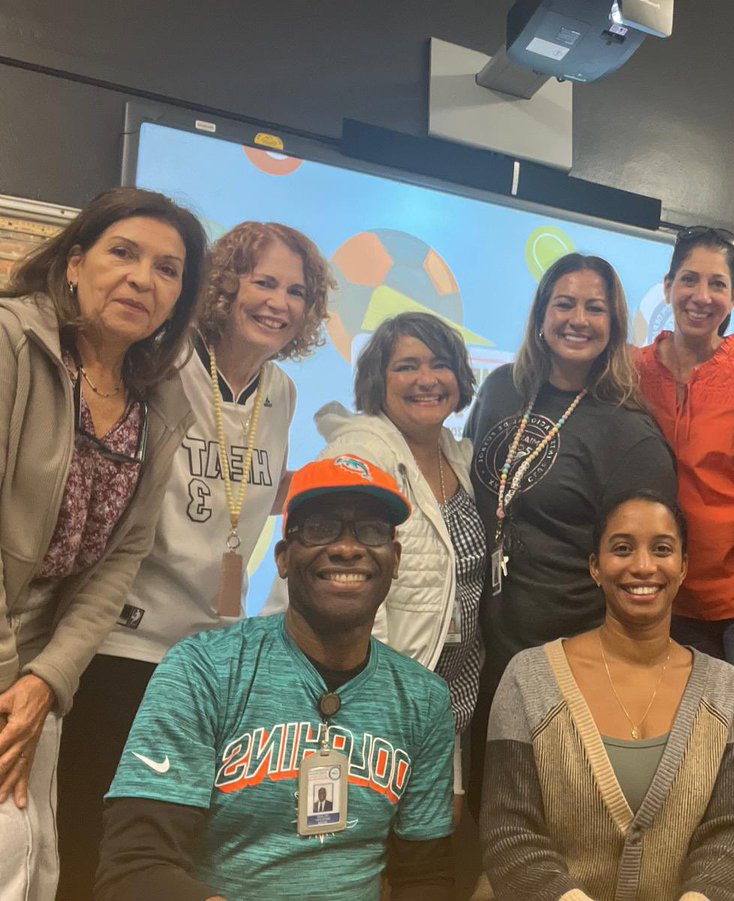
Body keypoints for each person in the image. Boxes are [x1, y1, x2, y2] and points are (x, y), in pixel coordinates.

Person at [55, 220, 333, 899]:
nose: (279, 302)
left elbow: (253, 506)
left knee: (176, 843)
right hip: (127, 645)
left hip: (214, 659)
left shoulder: (283, 394)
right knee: (94, 837)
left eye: (296, 291)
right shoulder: (162, 364)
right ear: (224, 283)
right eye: (263, 281)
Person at [95, 455, 456, 901]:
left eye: (372, 530)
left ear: (394, 559)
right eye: (321, 528)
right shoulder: (202, 670)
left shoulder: (424, 699)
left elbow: (425, 878)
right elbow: (134, 868)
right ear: (283, 558)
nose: (347, 548)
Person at [0, 187, 206, 901]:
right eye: (124, 253)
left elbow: (119, 560)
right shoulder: (11, 344)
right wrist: (10, 683)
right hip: (5, 651)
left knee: (37, 863)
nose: (143, 279)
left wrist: (47, 677)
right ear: (76, 263)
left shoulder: (159, 400)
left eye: (168, 269)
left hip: (42, 655)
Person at [464, 253, 676, 811]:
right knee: (483, 826)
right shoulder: (501, 392)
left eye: (594, 308)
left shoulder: (627, 431)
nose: (577, 319)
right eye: (564, 303)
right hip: (482, 651)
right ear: (540, 316)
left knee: (555, 823)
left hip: (567, 663)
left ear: (614, 327)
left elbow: (645, 569)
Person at [477, 490, 734, 900]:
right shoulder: (529, 678)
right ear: (595, 567)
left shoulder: (728, 690)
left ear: (683, 567)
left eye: (662, 549)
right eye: (622, 549)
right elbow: (510, 834)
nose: (643, 566)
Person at [632, 225, 734, 901]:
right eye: (690, 280)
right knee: (683, 772)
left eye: (717, 285)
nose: (701, 295)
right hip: (669, 602)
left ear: (733, 298)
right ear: (669, 286)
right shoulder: (631, 369)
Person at [265, 312, 484, 819]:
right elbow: (333, 586)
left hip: (445, 698)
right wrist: (370, 702)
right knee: (357, 843)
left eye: (441, 365)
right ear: (377, 381)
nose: (427, 380)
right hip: (372, 701)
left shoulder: (459, 458)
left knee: (426, 853)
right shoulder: (359, 455)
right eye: (407, 366)